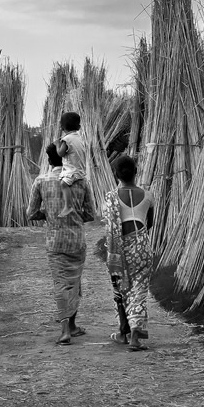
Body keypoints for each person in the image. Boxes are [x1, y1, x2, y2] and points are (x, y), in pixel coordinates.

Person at [27, 142, 96, 345]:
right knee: (75, 282)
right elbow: (91, 214)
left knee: (61, 283)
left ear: (49, 160)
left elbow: (30, 214)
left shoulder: (41, 181)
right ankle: (73, 325)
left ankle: (65, 330)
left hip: (55, 242)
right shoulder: (81, 181)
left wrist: (49, 215)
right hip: (76, 241)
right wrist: (74, 217)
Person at [103, 155, 154, 351]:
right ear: (136, 172)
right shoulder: (148, 195)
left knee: (121, 291)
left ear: (116, 174)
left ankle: (123, 332)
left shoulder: (111, 197)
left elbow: (109, 226)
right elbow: (149, 224)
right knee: (139, 291)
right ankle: (134, 336)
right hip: (142, 248)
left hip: (119, 250)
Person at [55, 111, 87, 218]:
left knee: (63, 184)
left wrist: (57, 144)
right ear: (79, 126)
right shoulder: (80, 138)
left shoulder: (67, 139)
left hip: (72, 171)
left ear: (62, 127)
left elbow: (60, 153)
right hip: (81, 170)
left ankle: (68, 206)